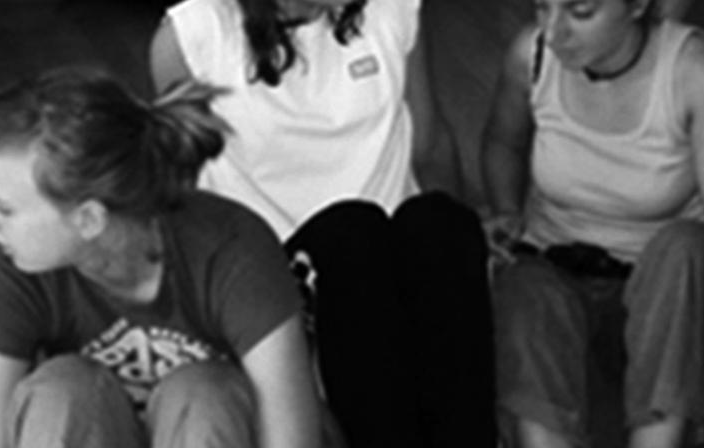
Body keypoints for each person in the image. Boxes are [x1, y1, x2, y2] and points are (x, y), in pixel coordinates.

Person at [149, 0, 493, 446]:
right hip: (277, 268)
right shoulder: (193, 34)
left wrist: (473, 233)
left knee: (443, 223)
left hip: (389, 246)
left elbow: (430, 145)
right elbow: (180, 198)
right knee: (351, 235)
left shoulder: (392, 8)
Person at [0, 70, 321, 448]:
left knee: (202, 392)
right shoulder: (11, 265)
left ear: (89, 219)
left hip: (223, 429)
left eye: (4, 208)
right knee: (61, 389)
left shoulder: (231, 249)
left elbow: (292, 434)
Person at [475, 0, 704, 446]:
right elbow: (503, 142)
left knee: (687, 249)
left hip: (664, 294)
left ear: (636, 6)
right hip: (558, 271)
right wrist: (506, 210)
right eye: (542, 8)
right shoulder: (532, 55)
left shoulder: (690, 65)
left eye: (580, 12)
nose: (554, 32)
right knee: (524, 284)